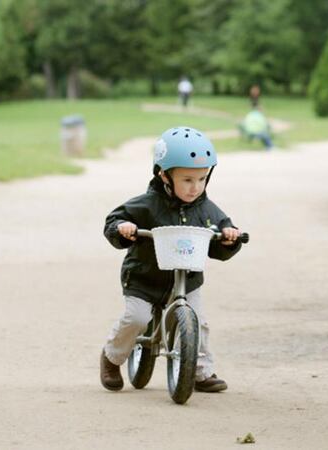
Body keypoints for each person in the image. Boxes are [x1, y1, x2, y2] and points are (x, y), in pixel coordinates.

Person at [100, 126, 243, 392]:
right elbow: (114, 219)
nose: (195, 187)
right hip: (145, 278)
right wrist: (123, 228)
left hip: (187, 280)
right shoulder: (146, 204)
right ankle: (112, 357)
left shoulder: (206, 209)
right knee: (137, 319)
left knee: (198, 321)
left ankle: (199, 372)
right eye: (187, 180)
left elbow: (222, 234)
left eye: (202, 179)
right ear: (164, 174)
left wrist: (228, 237)